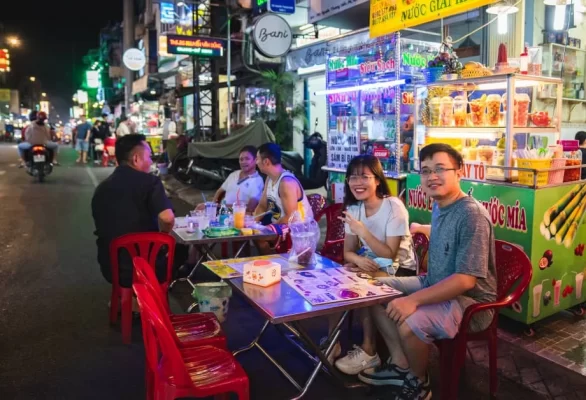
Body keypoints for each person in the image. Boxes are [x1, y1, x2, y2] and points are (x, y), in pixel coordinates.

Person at [356, 143, 497, 400]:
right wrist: (422, 227)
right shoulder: (441, 204)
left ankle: (419, 383)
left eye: (440, 169)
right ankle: (402, 365)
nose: (432, 176)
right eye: (425, 170)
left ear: (459, 172)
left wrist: (412, 300)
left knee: (410, 321)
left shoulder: (472, 215)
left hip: (470, 304)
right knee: (371, 290)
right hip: (434, 282)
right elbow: (450, 237)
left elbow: (466, 280)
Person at [326, 155, 417, 375]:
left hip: (401, 269)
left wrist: (362, 231)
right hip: (371, 263)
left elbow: (389, 253)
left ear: (377, 180)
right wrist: (358, 260)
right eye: (353, 177)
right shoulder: (354, 209)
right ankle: (332, 342)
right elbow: (348, 253)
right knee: (338, 277)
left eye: (364, 177)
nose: (358, 182)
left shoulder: (393, 207)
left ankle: (369, 351)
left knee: (361, 282)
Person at [91, 134, 177, 290]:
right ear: (136, 159)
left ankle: (127, 300)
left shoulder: (101, 188)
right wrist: (164, 240)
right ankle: (148, 304)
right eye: (149, 157)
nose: (151, 162)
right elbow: (167, 218)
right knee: (177, 251)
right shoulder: (150, 182)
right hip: (144, 267)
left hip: (111, 267)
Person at [197, 146, 264, 213]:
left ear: (255, 160)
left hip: (240, 217)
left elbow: (250, 208)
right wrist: (212, 207)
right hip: (223, 214)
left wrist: (220, 206)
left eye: (247, 159)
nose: (243, 162)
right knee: (199, 209)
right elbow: (220, 191)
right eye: (241, 159)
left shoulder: (257, 181)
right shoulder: (234, 174)